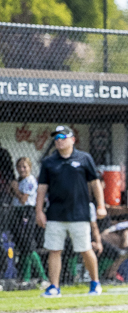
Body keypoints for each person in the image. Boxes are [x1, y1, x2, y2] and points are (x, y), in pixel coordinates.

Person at [37, 125, 106, 297]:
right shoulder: (48, 162)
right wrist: (39, 211)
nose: (59, 140)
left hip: (79, 214)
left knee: (85, 249)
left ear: (72, 140)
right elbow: (42, 188)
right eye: (56, 138)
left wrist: (101, 205)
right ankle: (54, 287)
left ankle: (95, 283)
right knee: (54, 250)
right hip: (55, 214)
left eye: (63, 137)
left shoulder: (84, 158)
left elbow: (95, 183)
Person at [10, 157, 47, 287]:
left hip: (27, 212)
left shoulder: (30, 181)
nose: (21, 169)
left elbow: (23, 199)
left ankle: (41, 277)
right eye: (19, 167)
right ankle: (26, 277)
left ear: (30, 167)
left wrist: (15, 189)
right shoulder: (20, 181)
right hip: (17, 212)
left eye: (24, 166)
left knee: (28, 245)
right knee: (24, 246)